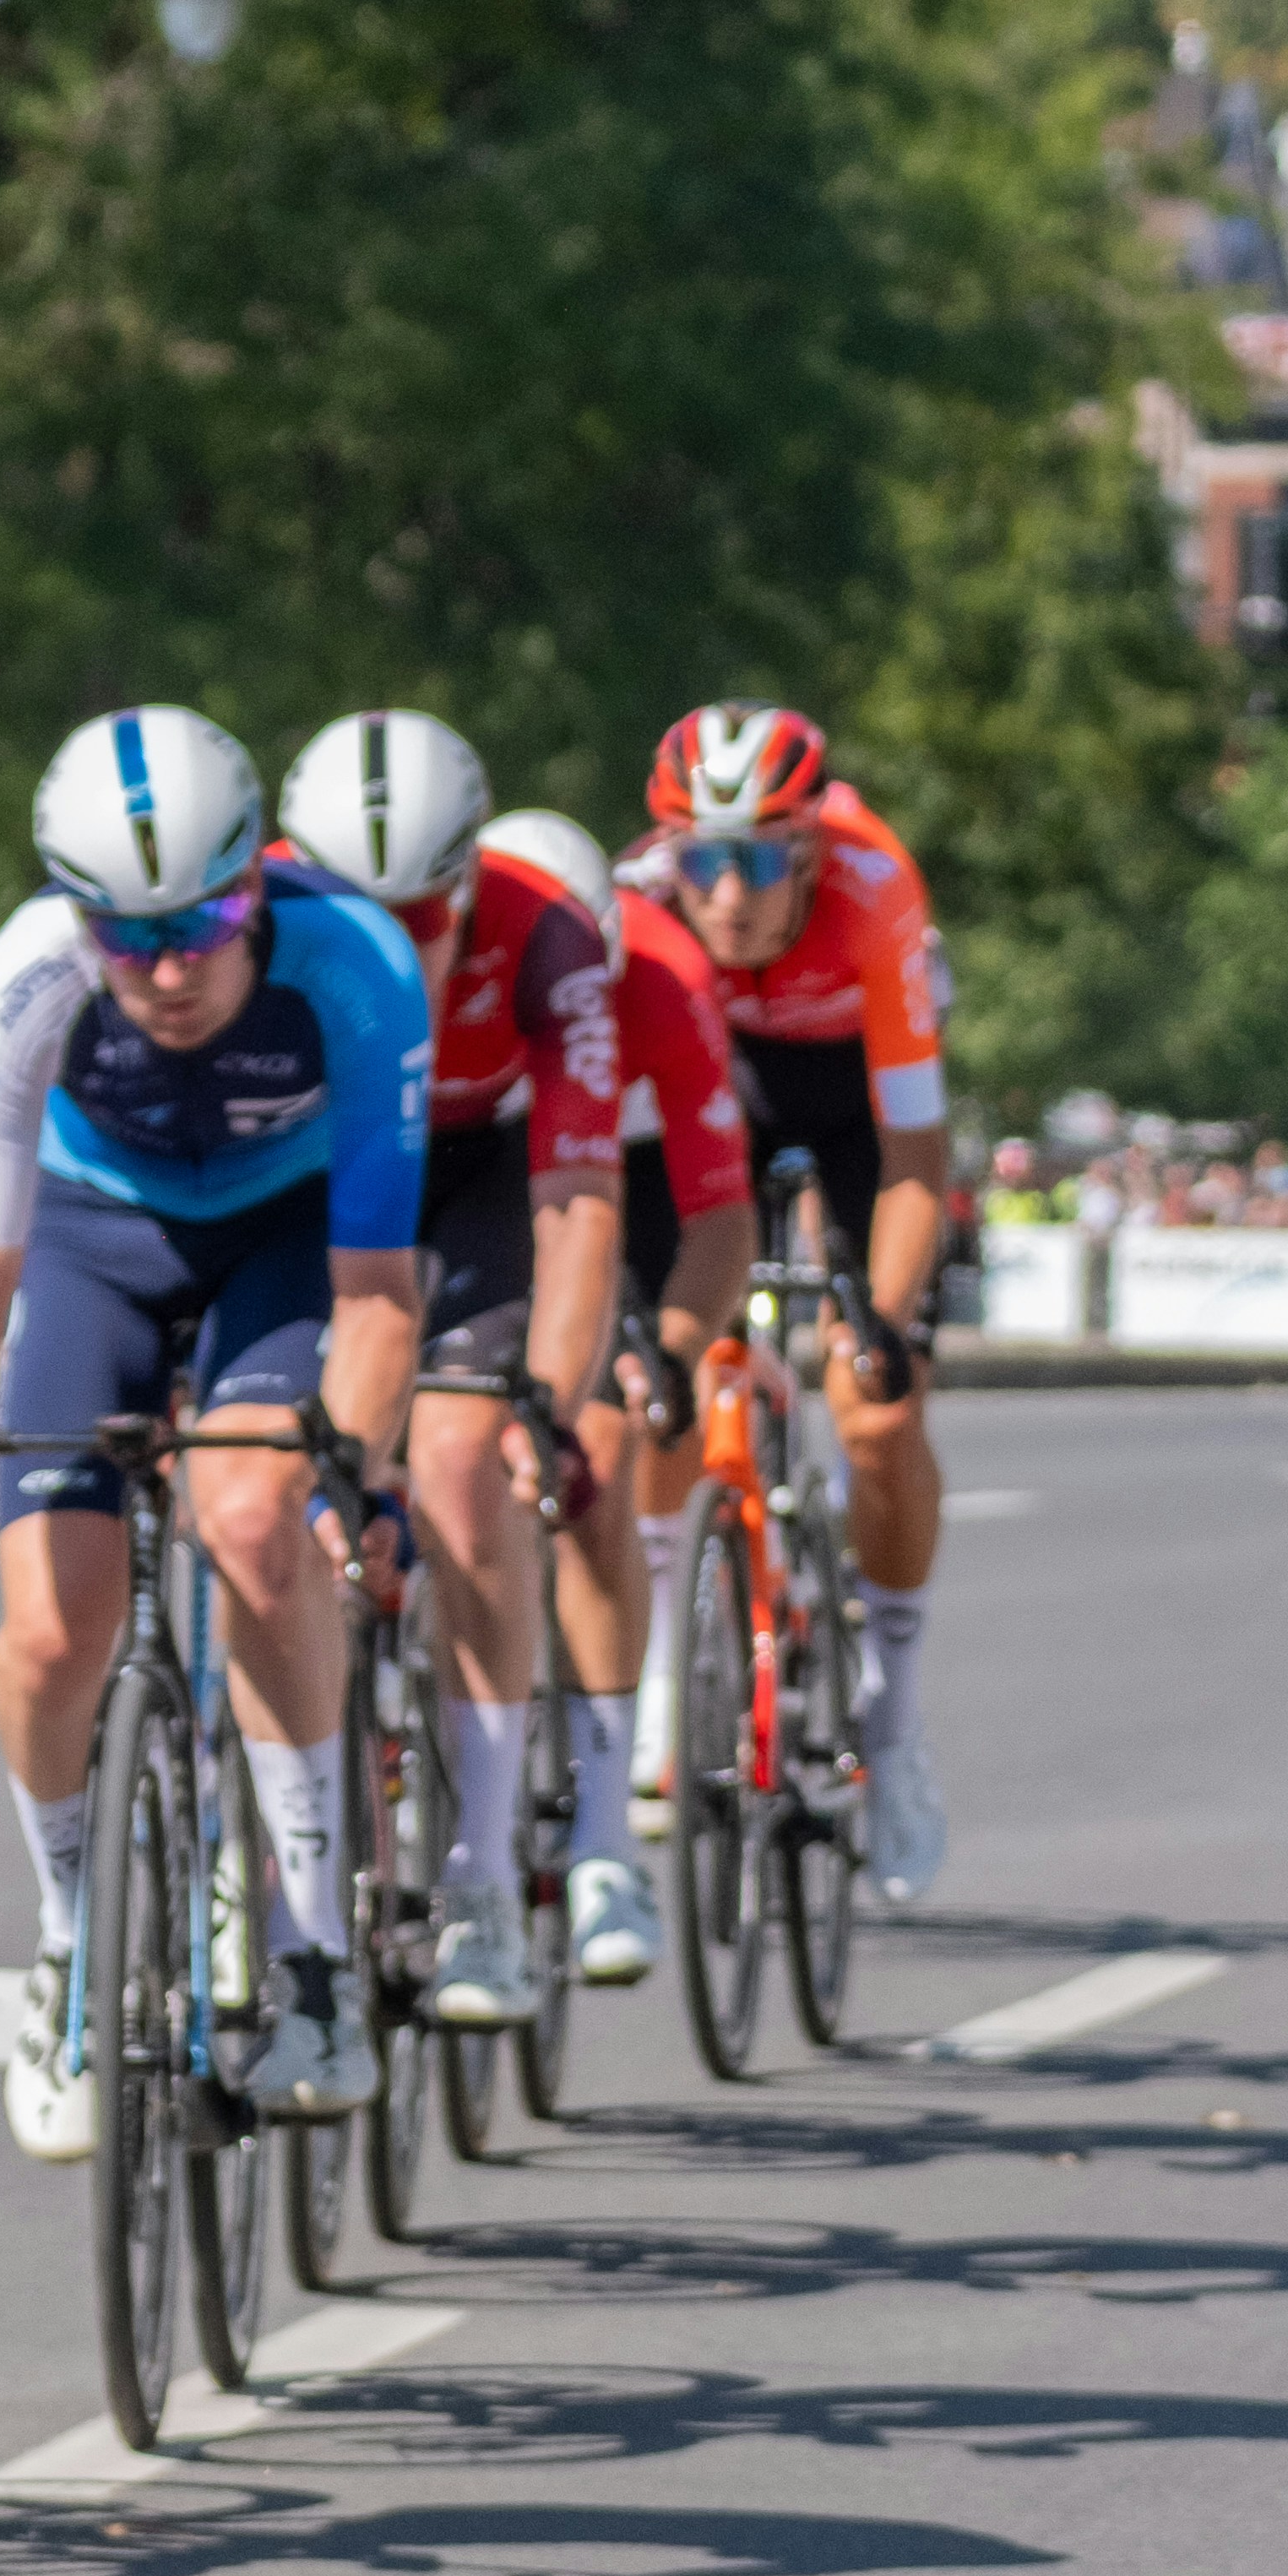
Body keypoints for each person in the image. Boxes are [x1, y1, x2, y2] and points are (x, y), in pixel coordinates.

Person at [0, 706, 427, 2160]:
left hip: (288, 1246)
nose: (164, 969)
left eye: (207, 919)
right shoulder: (27, 979)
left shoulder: (359, 964)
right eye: (124, 931)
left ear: (259, 887)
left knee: (248, 1525)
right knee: (46, 1635)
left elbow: (378, 1295)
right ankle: (66, 1943)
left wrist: (342, 1472)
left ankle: (308, 1958)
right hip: (95, 1239)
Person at [273, 711, 620, 2028]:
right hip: (317, 1169)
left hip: (476, 1170)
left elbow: (582, 1201)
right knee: (247, 1477)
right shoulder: (243, 915)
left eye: (424, 913)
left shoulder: (549, 937)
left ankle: (479, 1867)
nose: (388, 943)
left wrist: (551, 1394)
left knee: (469, 1461)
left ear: (473, 877)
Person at [626, 704, 955, 1906]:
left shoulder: (877, 893)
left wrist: (880, 1318)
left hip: (853, 1091)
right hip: (720, 1080)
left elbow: (916, 1154)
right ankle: (669, 1674)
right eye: (699, 858)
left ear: (810, 851)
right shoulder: (642, 902)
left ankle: (896, 1728)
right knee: (668, 1381)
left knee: (877, 1417)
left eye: (757, 858)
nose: (723, 890)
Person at [480, 807, 753, 1979]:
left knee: (591, 1450)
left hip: (626, 1195)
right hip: (479, 1177)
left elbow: (721, 1219)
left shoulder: (665, 979)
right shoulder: (443, 978)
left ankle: (602, 1840)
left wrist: (672, 1352)